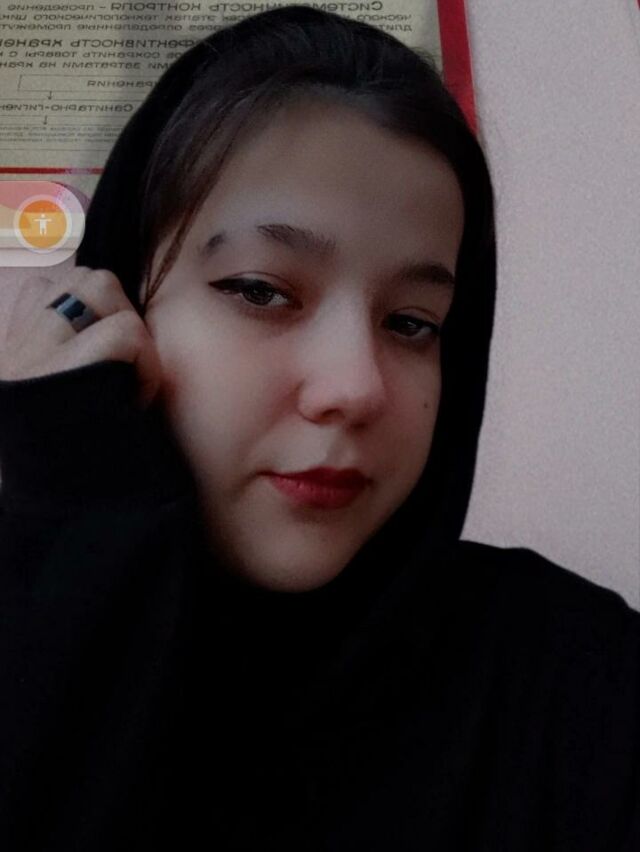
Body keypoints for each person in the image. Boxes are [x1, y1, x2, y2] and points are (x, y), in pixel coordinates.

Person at [0, 6, 638, 851]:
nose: (356, 388)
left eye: (412, 323)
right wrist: (65, 522)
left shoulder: (576, 682)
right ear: (123, 301)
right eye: (261, 290)